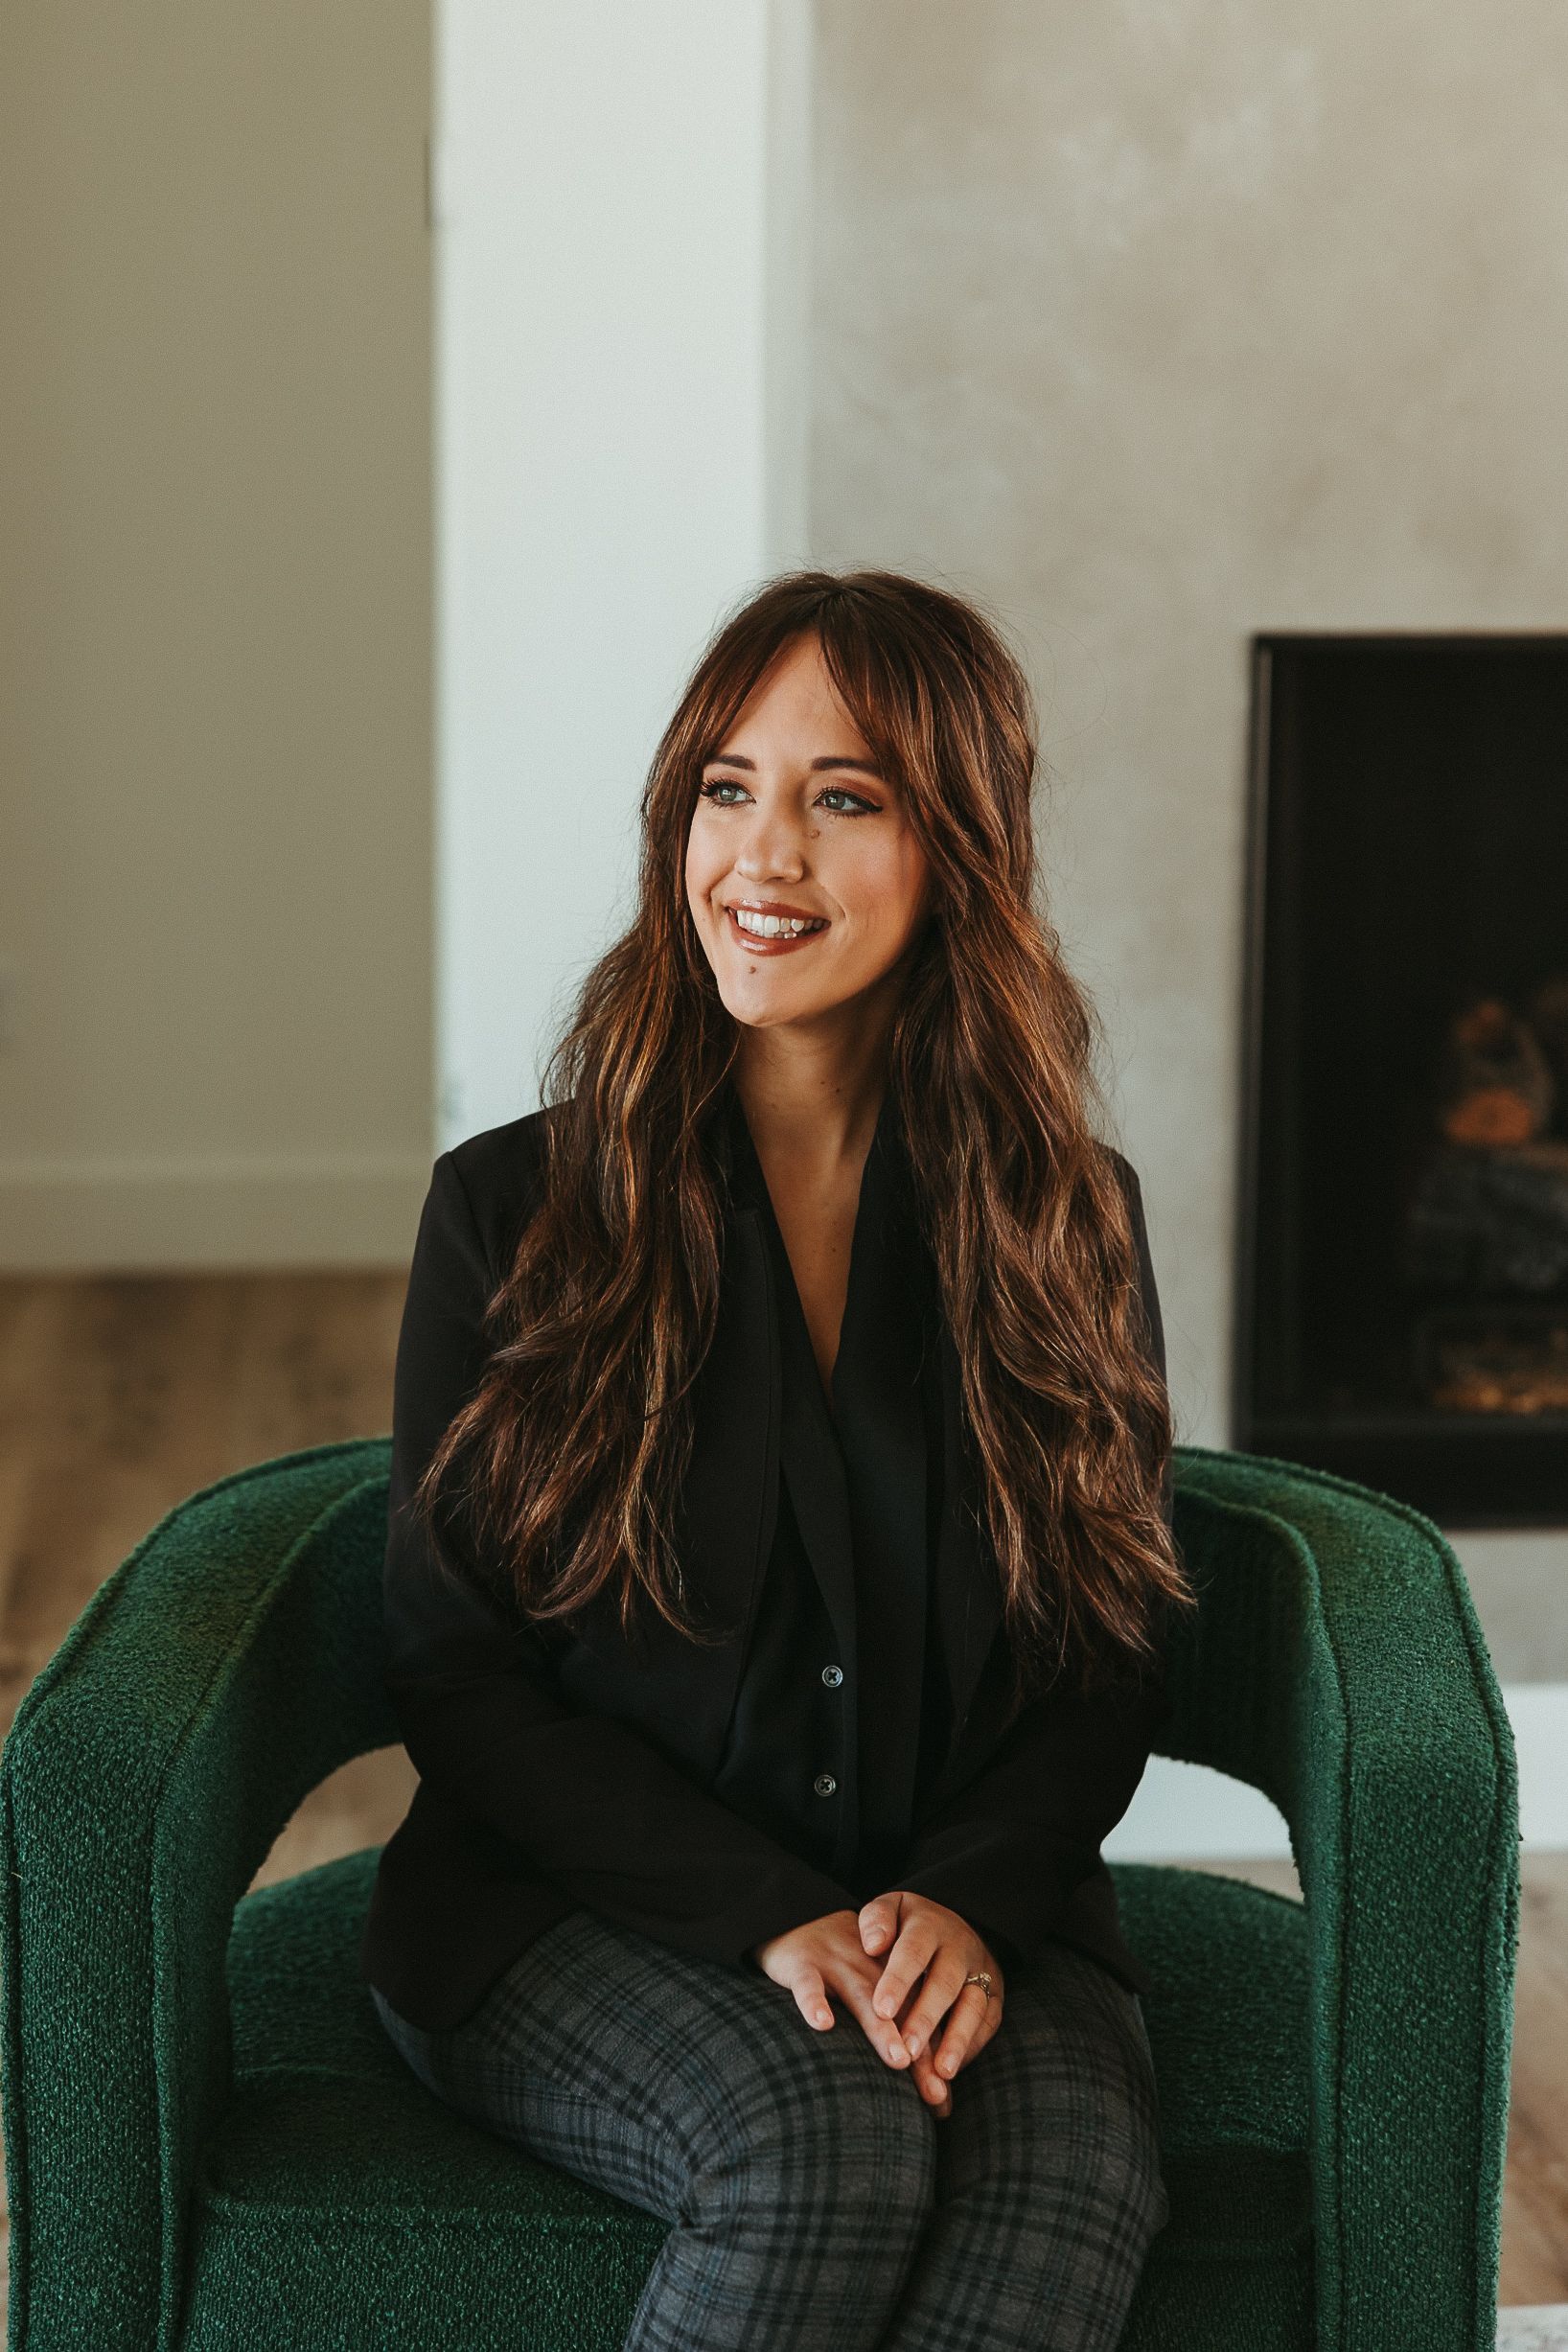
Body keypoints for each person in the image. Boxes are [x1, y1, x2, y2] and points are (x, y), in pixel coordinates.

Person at [359, 567, 1194, 2351]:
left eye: (845, 796)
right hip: (567, 1903)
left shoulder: (1067, 1222)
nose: (764, 855)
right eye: (727, 789)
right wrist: (773, 1915)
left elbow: (1110, 1637)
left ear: (959, 846)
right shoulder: (510, 1211)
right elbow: (455, 1674)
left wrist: (966, 1896)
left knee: (1066, 2178)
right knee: (821, 2139)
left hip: (968, 1898)